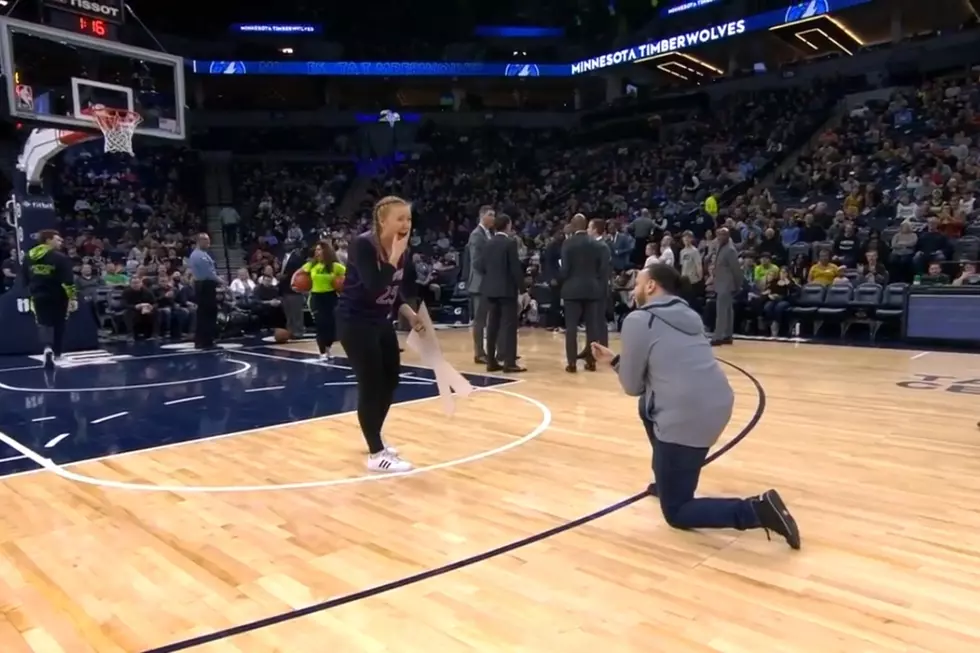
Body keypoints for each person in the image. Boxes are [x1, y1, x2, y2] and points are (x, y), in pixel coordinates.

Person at [590, 263, 801, 549]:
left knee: (677, 512)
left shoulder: (640, 320)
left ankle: (757, 510)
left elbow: (632, 386)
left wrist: (618, 364)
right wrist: (616, 360)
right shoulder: (689, 314)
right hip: (717, 404)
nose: (634, 288)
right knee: (646, 408)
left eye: (638, 283)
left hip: (686, 415)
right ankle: (666, 480)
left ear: (651, 286)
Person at [336, 195, 424, 473]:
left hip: (380, 321)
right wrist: (395, 255)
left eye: (408, 218)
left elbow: (393, 289)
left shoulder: (402, 250)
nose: (406, 224)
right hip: (355, 322)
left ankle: (374, 435)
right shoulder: (364, 245)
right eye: (400, 218)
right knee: (371, 384)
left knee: (391, 380)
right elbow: (375, 285)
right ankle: (376, 454)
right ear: (382, 221)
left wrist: (409, 314)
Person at [475, 213, 526, 373]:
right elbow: (515, 268)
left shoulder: (488, 243)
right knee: (509, 326)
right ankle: (509, 362)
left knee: (492, 326)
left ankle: (491, 362)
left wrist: (492, 276)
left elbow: (480, 265)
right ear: (508, 225)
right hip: (506, 290)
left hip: (490, 290)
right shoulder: (510, 243)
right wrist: (523, 289)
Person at [21, 229, 77, 368]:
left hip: (38, 295)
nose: (61, 242)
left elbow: (24, 278)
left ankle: (47, 348)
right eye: (57, 239)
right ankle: (57, 353)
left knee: (43, 323)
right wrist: (73, 297)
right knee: (59, 324)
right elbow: (68, 281)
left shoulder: (29, 256)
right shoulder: (60, 257)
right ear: (48, 240)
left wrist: (29, 293)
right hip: (58, 295)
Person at [560, 213, 608, 372]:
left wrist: (559, 280)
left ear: (573, 226)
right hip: (592, 289)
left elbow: (565, 269)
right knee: (592, 327)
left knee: (571, 328)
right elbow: (602, 269)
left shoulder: (568, 243)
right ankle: (591, 362)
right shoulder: (596, 244)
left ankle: (572, 363)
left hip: (572, 289)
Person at [300, 239, 345, 361]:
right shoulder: (311, 265)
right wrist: (297, 285)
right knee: (321, 325)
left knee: (331, 325)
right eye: (316, 250)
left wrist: (342, 284)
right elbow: (298, 275)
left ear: (327, 251)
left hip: (331, 297)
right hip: (316, 298)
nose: (317, 252)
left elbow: (349, 275)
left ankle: (328, 349)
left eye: (320, 249)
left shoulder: (335, 267)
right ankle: (322, 352)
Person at [466, 205, 495, 364]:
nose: (493, 218)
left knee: (489, 319)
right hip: (479, 283)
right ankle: (478, 353)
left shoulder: (489, 234)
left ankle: (490, 351)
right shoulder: (476, 235)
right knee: (480, 320)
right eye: (491, 215)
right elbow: (476, 262)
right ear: (482, 215)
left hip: (488, 283)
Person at [188, 233, 221, 350]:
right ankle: (205, 340)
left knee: (207, 313)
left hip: (207, 285)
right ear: (200, 241)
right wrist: (220, 281)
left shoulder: (203, 254)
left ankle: (206, 339)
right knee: (206, 313)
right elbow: (208, 273)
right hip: (204, 285)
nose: (209, 243)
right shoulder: (198, 255)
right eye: (206, 241)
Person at [711, 227, 741, 346]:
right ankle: (727, 335)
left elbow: (736, 270)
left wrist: (738, 285)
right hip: (721, 282)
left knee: (722, 310)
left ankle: (718, 336)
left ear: (728, 236)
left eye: (722, 235)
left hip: (727, 284)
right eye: (718, 235)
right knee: (728, 310)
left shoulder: (730, 250)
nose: (719, 238)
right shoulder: (721, 247)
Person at [279, 241, 307, 339]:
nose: (286, 245)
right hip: (284, 288)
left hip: (294, 289)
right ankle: (290, 331)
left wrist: (285, 276)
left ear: (293, 246)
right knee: (288, 313)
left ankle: (298, 332)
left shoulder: (297, 257)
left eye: (289, 244)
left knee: (296, 313)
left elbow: (298, 272)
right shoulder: (282, 257)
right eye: (285, 243)